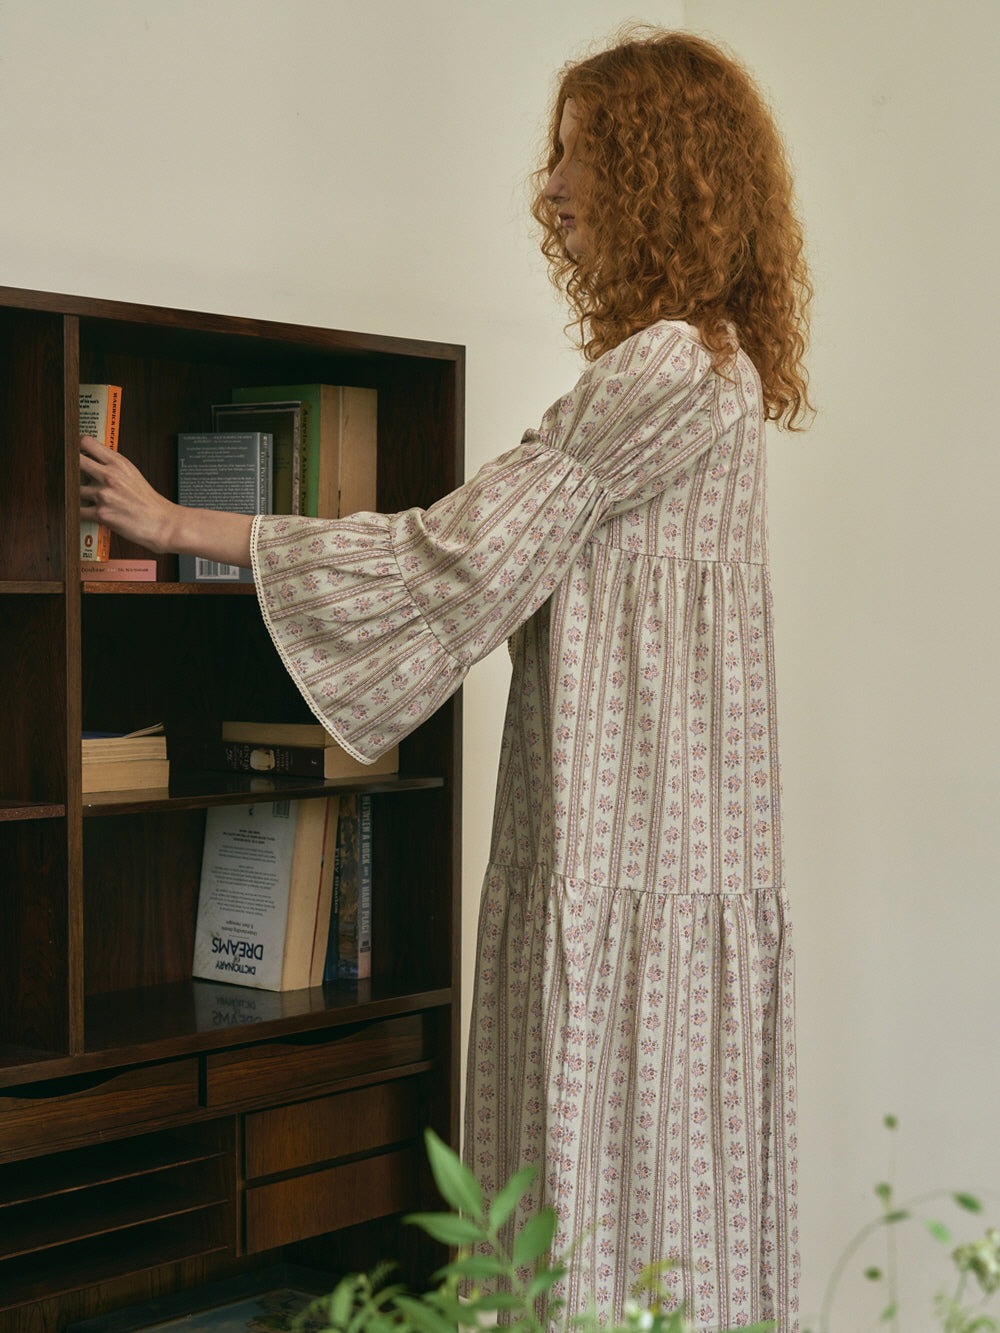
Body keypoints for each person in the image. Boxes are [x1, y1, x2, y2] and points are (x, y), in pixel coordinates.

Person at [80, 27, 810, 1331]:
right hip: (668, 855)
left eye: (578, 154)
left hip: (616, 854)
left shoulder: (659, 368)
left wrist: (191, 527)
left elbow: (460, 554)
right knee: (662, 1207)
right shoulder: (719, 366)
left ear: (655, 173)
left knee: (591, 1208)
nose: (552, 188)